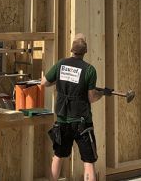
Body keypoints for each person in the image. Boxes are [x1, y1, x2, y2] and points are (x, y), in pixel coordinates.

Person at [41, 34, 103, 181]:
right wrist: (101, 94)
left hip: (62, 121)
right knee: (88, 161)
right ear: (85, 52)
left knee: (58, 155)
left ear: (72, 50)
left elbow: (44, 82)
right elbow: (91, 98)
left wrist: (58, 81)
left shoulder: (61, 64)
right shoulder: (89, 70)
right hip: (82, 123)